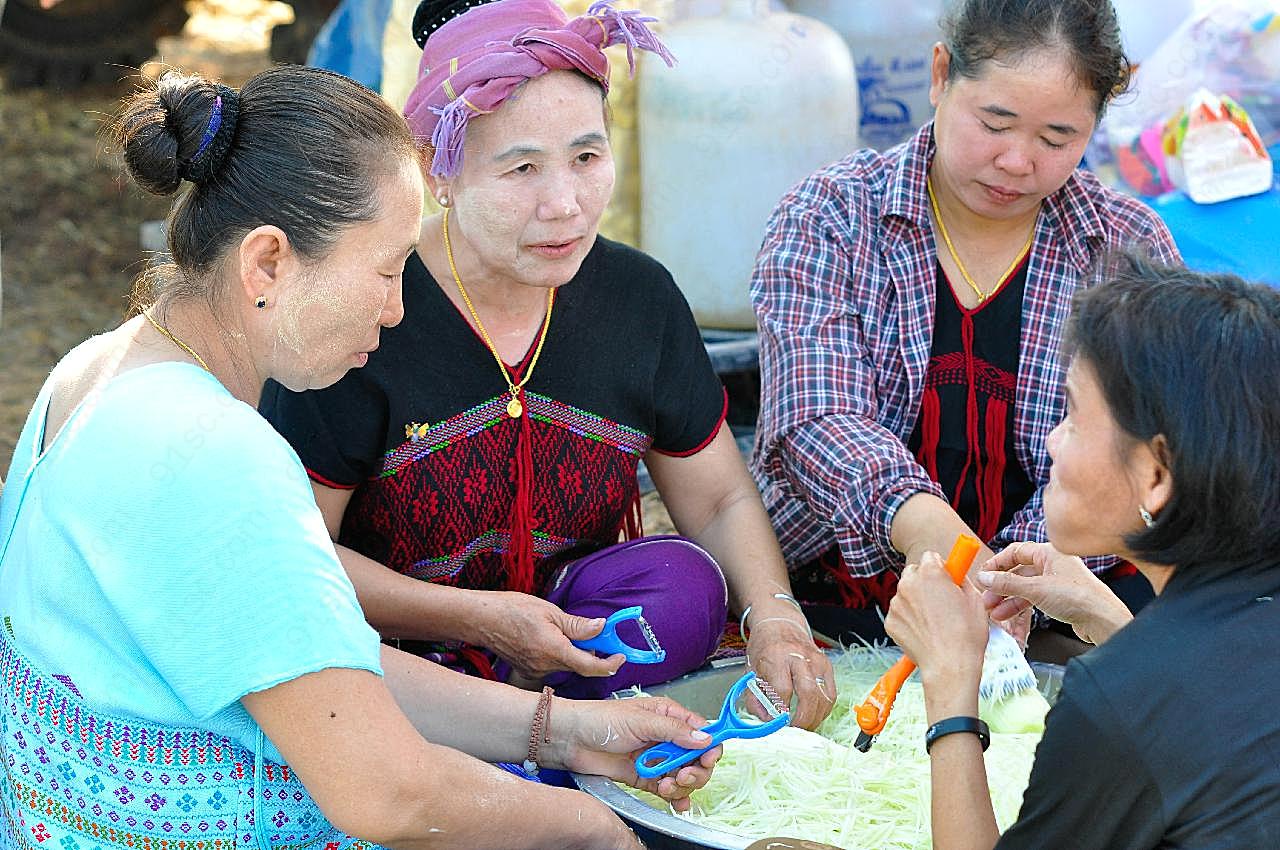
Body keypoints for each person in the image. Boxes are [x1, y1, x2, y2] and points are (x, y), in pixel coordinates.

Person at [0, 65, 722, 850]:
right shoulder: (219, 458)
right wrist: (596, 830)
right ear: (267, 263)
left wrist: (568, 732)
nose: (398, 307)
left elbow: (328, 677)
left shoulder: (95, 371)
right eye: (385, 269)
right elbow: (389, 795)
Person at [261, 0, 835, 727]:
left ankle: (533, 731)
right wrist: (476, 619)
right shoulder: (365, 310)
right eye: (522, 167)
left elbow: (719, 500)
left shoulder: (639, 298)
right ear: (440, 172)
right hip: (396, 648)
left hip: (564, 637)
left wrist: (777, 618)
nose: (565, 205)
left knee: (683, 585)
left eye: (587, 157)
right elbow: (296, 558)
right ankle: (525, 733)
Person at [749, 0, 1181, 650]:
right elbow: (817, 420)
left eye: (1056, 139)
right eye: (995, 122)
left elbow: (1146, 444)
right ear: (941, 74)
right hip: (847, 601)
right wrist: (939, 540)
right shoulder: (831, 217)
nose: (1015, 161)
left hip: (1062, 602)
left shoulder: (1124, 245)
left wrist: (1018, 578)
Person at [884, 252, 1280, 849]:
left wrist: (949, 684)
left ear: (1156, 474)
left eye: (1072, 414)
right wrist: (1105, 616)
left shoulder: (1112, 702)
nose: (1052, 438)